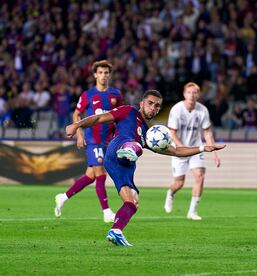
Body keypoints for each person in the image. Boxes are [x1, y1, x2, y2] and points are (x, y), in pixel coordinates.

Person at [66, 90, 225, 246]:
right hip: (116, 149)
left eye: (157, 106)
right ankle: (130, 148)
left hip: (124, 167)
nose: (153, 108)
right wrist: (77, 125)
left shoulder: (150, 134)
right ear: (141, 103)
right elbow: (99, 117)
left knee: (132, 202)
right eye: (150, 103)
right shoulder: (128, 111)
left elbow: (176, 151)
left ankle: (116, 231)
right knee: (134, 144)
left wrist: (203, 148)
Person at [55, 60, 123, 223]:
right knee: (100, 174)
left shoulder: (116, 95)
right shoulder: (88, 95)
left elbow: (119, 116)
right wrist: (80, 134)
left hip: (107, 140)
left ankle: (63, 197)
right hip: (93, 139)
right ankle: (107, 212)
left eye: (106, 73)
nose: (103, 75)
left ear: (109, 75)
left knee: (90, 176)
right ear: (95, 75)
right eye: (100, 72)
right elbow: (76, 115)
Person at [164, 82, 221, 220]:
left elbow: (207, 132)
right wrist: (183, 148)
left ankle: (192, 212)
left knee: (199, 176)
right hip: (179, 149)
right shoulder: (177, 110)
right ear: (184, 94)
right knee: (179, 183)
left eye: (195, 92)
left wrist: (214, 152)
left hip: (196, 148)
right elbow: (172, 132)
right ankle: (170, 193)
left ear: (198, 94)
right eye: (189, 92)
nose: (192, 95)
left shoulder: (202, 110)